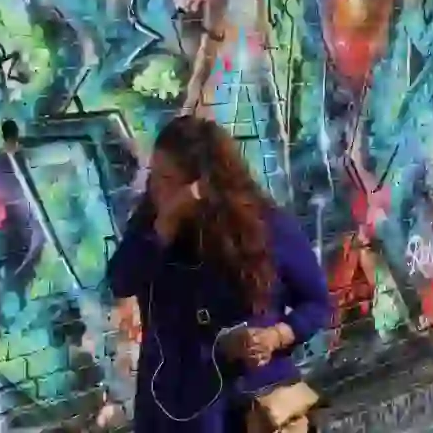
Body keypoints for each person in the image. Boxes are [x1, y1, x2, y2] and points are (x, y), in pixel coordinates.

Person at [108, 116, 331, 432]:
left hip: (252, 409)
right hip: (172, 411)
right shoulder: (149, 228)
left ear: (201, 185)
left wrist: (275, 336)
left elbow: (316, 303)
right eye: (153, 176)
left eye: (167, 178)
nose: (155, 188)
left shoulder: (265, 227)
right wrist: (164, 228)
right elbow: (121, 280)